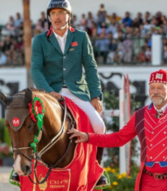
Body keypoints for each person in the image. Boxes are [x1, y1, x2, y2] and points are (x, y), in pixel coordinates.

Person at [68, 69, 167, 191]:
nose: (155, 91)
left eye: (160, 87)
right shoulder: (140, 115)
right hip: (148, 181)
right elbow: (119, 138)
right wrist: (88, 137)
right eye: (152, 87)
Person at [31, 0, 107, 187]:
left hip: (77, 92)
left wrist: (96, 96)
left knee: (99, 127)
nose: (57, 17)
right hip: (49, 93)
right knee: (28, 124)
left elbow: (90, 67)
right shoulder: (40, 40)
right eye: (53, 13)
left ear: (69, 15)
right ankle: (21, 169)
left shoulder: (81, 37)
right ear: (49, 17)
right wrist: (49, 92)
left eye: (61, 12)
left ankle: (97, 170)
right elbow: (36, 70)